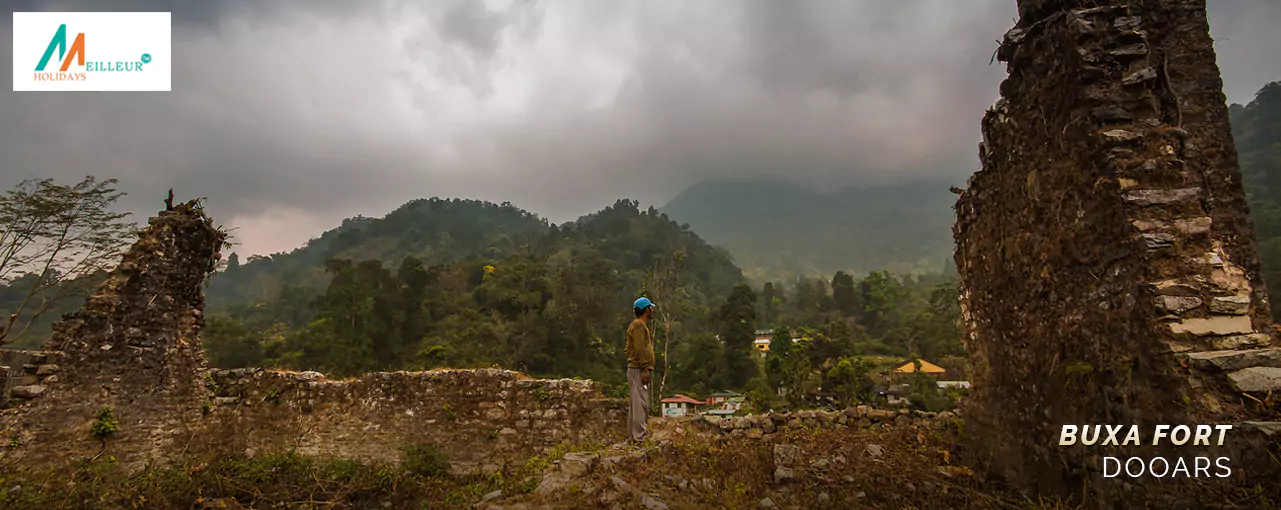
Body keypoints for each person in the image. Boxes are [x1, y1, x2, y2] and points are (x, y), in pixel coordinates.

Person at [625, 296, 656, 442]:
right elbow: (639, 348)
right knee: (640, 403)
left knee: (637, 402)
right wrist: (644, 368)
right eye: (651, 307)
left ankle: (634, 435)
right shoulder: (638, 326)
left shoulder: (639, 325)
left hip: (637, 368)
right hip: (638, 369)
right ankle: (639, 436)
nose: (653, 310)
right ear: (647, 309)